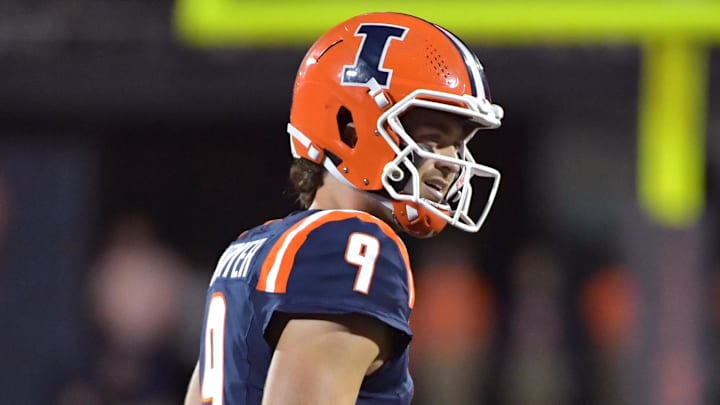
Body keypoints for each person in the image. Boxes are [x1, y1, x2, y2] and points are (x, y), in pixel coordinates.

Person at [184, 11, 504, 405]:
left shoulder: (249, 248)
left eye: (458, 145)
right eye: (433, 138)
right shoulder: (354, 245)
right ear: (350, 127)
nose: (450, 162)